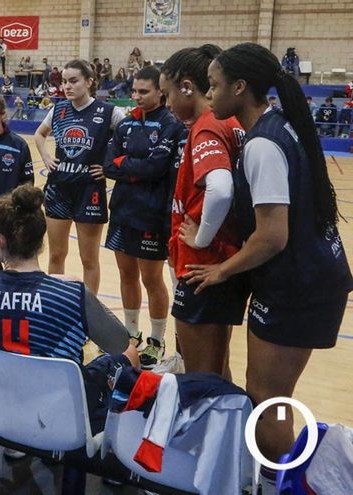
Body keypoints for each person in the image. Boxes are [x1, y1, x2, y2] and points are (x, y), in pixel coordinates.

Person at [186, 43, 353, 478]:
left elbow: (272, 237)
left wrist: (221, 269)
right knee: (267, 395)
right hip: (306, 279)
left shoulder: (263, 145)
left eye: (215, 85)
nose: (209, 93)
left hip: (300, 286)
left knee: (268, 400)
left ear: (240, 88)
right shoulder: (276, 127)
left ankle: (281, 481)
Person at [0, 185, 138, 460]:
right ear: (41, 239)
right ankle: (118, 457)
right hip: (59, 415)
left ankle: (17, 438)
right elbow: (120, 343)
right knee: (132, 353)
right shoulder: (72, 294)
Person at [155, 45, 246, 379]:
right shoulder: (232, 123)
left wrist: (200, 236)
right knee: (218, 369)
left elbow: (221, 189)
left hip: (201, 265)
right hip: (221, 261)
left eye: (167, 94)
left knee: (199, 377)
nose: (166, 104)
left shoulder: (207, 126)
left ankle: (206, 431)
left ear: (187, 87)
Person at [100, 65, 185, 369]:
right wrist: (133, 166)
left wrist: (127, 166)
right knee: (126, 274)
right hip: (123, 210)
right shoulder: (124, 125)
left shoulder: (172, 125)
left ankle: (157, 340)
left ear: (161, 92)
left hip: (151, 214)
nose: (136, 96)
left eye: (143, 91)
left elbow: (157, 168)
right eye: (133, 91)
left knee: (152, 278)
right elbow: (109, 166)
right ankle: (131, 334)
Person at [33, 59, 125, 292]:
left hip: (90, 190)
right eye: (64, 81)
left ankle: (90, 310)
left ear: (89, 82)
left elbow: (130, 139)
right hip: (59, 189)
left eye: (73, 81)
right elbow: (39, 135)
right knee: (56, 254)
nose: (67, 86)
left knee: (89, 259)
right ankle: (56, 303)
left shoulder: (109, 112)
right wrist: (45, 156)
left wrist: (109, 166)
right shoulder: (58, 109)